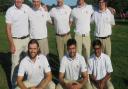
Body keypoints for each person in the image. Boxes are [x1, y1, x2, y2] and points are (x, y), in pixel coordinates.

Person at [5, 0, 31, 88]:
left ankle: (26, 82)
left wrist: (43, 8)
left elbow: (35, 12)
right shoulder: (10, 11)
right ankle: (14, 85)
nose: (18, 1)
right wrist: (11, 44)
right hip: (16, 41)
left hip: (27, 39)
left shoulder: (27, 8)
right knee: (15, 64)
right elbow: (8, 28)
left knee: (28, 62)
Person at [70, 0, 94, 64]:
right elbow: (70, 21)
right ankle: (80, 71)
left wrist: (109, 8)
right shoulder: (74, 10)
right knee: (78, 54)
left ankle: (88, 71)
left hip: (86, 35)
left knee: (87, 54)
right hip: (77, 35)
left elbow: (101, 8)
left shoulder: (90, 7)